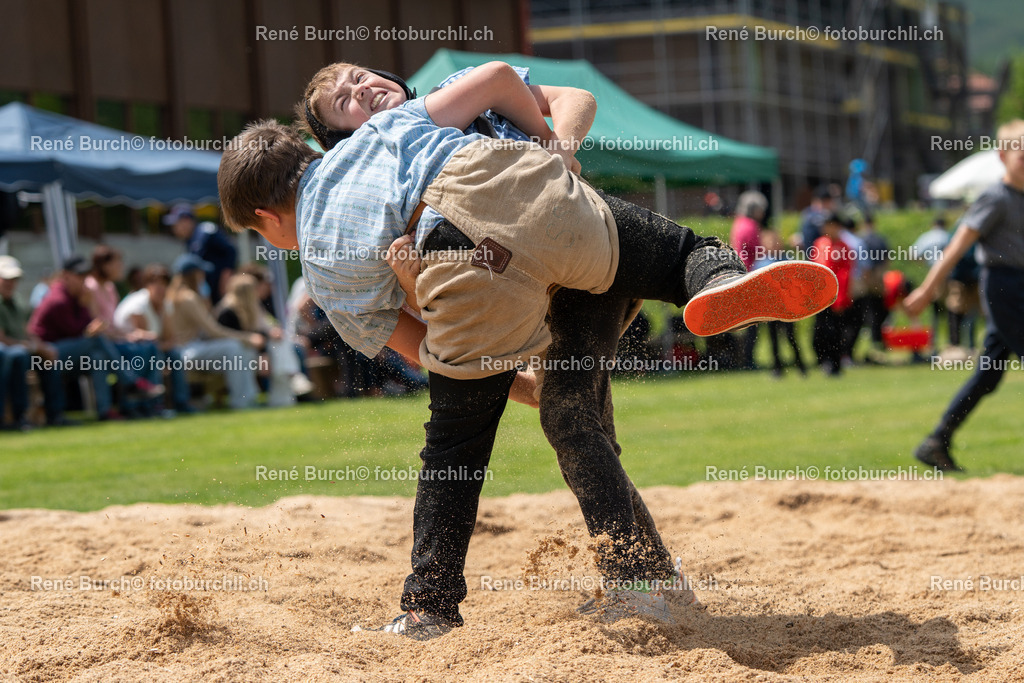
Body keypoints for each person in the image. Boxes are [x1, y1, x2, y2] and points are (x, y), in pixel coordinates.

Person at [218, 64, 837, 638]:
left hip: (463, 250)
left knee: (459, 448)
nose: (362, 95)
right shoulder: (393, 129)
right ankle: (714, 283)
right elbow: (502, 81)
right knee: (587, 395)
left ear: (267, 219)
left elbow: (425, 352)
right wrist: (550, 168)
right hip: (547, 221)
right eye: (343, 103)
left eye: (359, 80)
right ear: (326, 143)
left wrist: (556, 152)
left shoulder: (339, 229)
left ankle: (430, 606)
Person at [904, 119, 1024, 471]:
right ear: (1003, 156)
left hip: (1020, 286)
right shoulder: (995, 197)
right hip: (1003, 288)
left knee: (989, 372)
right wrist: (928, 290)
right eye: (1021, 151)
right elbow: (956, 247)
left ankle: (937, 441)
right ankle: (936, 440)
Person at [28, 256, 163, 422]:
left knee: (97, 357)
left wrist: (89, 312)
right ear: (65, 276)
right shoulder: (58, 299)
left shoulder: (77, 296)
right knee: (96, 341)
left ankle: (105, 411)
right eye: (79, 276)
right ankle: (131, 383)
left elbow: (84, 329)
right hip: (47, 352)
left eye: (85, 276)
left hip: (71, 352)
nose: (83, 281)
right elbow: (78, 332)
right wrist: (90, 318)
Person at [164, 254, 263, 410]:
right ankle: (241, 402)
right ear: (194, 274)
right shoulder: (188, 297)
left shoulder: (183, 296)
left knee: (243, 351)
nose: (203, 276)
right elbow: (213, 331)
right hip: (187, 351)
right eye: (200, 272)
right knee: (233, 347)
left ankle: (249, 398)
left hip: (192, 349)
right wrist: (247, 338)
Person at [114, 263, 194, 413]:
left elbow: (169, 338)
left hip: (150, 348)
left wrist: (164, 342)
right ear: (147, 286)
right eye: (156, 285)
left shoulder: (165, 304)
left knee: (175, 354)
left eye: (164, 285)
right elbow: (147, 340)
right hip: (126, 350)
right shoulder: (138, 304)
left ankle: (182, 402)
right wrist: (163, 343)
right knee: (153, 354)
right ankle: (155, 405)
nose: (161, 289)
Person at [0, 255, 57, 430]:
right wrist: (31, 346)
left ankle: (55, 415)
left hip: (19, 349)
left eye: (14, 279)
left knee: (49, 357)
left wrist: (41, 346)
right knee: (17, 356)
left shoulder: (18, 301)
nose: (11, 283)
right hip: (9, 350)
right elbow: (2, 339)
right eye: (7, 279)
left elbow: (28, 331)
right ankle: (18, 416)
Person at [811, 213, 856, 376]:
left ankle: (835, 363)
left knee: (836, 332)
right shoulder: (820, 244)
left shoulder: (843, 247)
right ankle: (823, 360)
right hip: (820, 297)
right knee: (820, 332)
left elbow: (845, 274)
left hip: (836, 297)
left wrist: (840, 298)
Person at [165, 203, 237, 304]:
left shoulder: (206, 232)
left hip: (219, 287)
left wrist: (226, 278)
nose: (175, 228)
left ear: (187, 221)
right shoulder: (190, 239)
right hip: (208, 289)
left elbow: (230, 251)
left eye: (177, 224)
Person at [730, 190, 767, 370]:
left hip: (738, 273)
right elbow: (758, 252)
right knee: (754, 322)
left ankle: (745, 358)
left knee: (747, 322)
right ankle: (748, 360)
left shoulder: (738, 223)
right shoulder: (751, 225)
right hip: (750, 274)